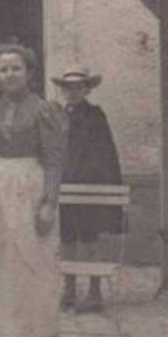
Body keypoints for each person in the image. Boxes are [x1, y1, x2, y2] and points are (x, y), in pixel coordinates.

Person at [0, 46, 69, 337]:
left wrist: (49, 202)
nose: (10, 75)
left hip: (30, 185)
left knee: (30, 259)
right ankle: (1, 336)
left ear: (29, 73)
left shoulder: (43, 109)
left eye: (16, 69)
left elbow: (54, 158)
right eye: (4, 70)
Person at [52, 66, 124, 314]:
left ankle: (94, 292)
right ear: (63, 91)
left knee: (90, 239)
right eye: (68, 88)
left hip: (89, 184)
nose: (73, 93)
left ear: (87, 90)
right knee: (67, 238)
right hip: (64, 184)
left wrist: (98, 183)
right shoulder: (57, 116)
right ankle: (69, 289)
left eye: (78, 88)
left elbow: (104, 153)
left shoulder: (95, 117)